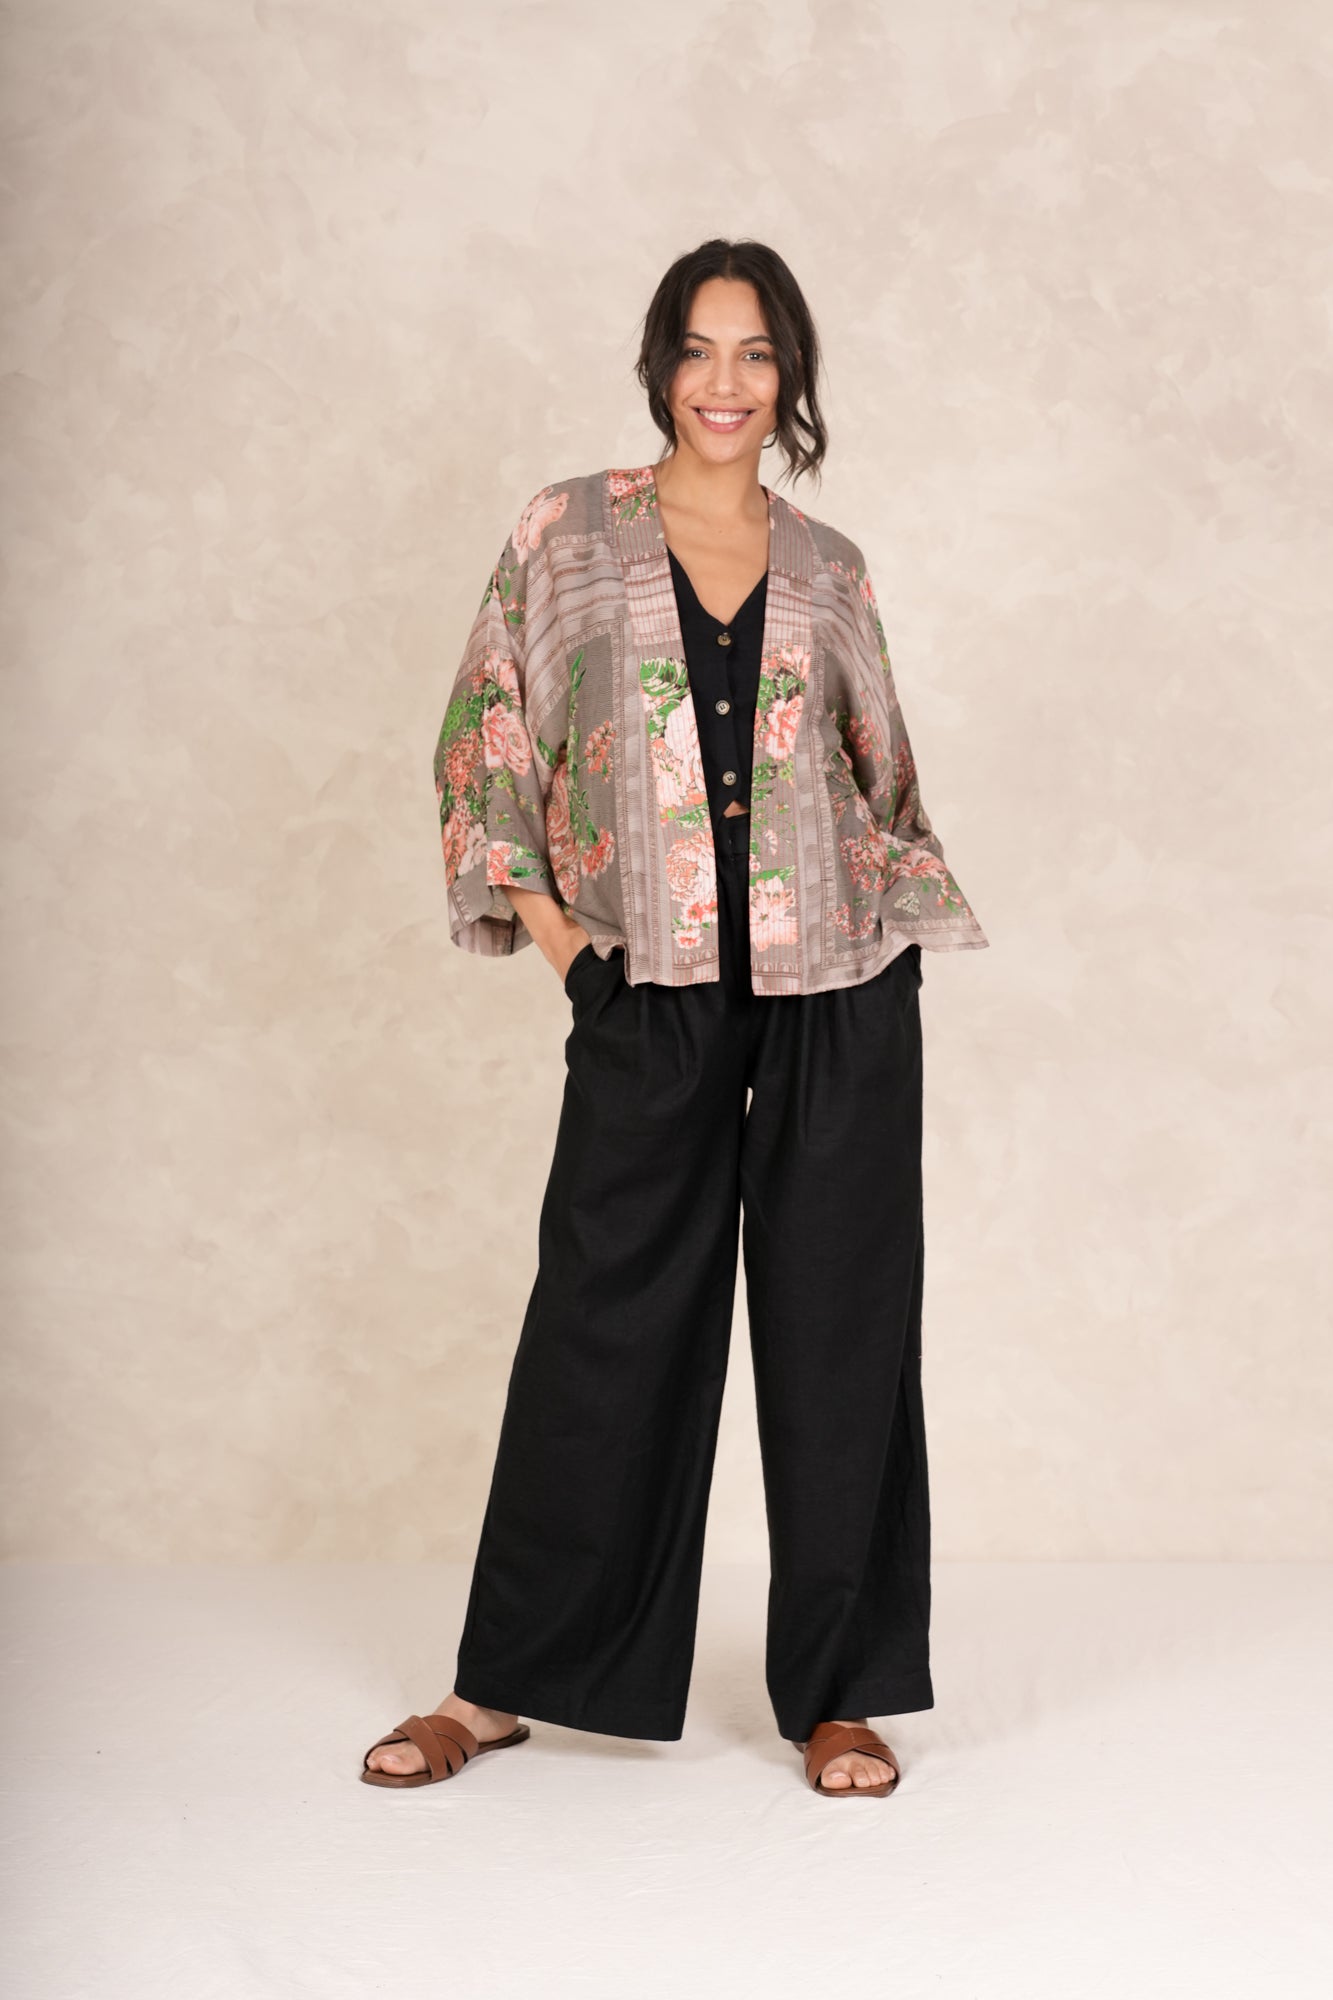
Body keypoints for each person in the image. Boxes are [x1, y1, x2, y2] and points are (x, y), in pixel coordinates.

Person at [361, 237, 988, 1800]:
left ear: (791, 376)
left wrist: (887, 941)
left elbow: (883, 776)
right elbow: (483, 738)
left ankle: (839, 1693)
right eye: (699, 349)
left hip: (837, 986)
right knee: (603, 1319)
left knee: (840, 1329)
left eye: (756, 353)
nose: (725, 382)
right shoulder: (566, 531)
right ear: (659, 365)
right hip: (645, 985)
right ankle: (499, 1685)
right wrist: (573, 956)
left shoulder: (829, 564)